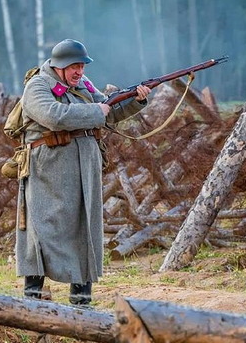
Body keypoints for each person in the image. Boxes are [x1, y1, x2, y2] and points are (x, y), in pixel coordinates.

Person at [17, 39, 151, 306]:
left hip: (84, 165)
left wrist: (136, 100)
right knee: (42, 230)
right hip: (49, 167)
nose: (79, 71)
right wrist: (95, 111)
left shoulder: (83, 85)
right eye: (74, 66)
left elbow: (109, 112)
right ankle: (33, 299)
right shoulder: (37, 86)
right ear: (60, 66)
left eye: (81, 66)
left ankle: (81, 302)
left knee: (85, 227)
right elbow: (54, 116)